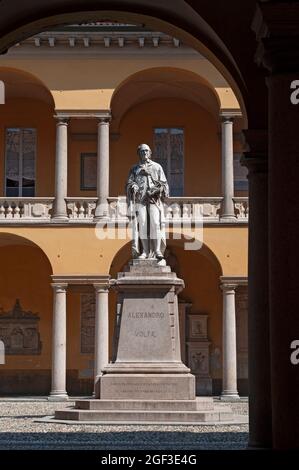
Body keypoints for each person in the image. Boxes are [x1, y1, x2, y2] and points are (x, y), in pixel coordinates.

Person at [126, 143, 169, 259]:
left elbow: (165, 185)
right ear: (138, 154)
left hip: (154, 200)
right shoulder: (134, 169)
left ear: (150, 153)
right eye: (142, 151)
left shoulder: (157, 167)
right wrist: (132, 186)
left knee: (155, 223)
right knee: (143, 225)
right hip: (140, 200)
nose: (144, 153)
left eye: (146, 151)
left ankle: (157, 250)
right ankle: (145, 251)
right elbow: (129, 183)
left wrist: (157, 189)